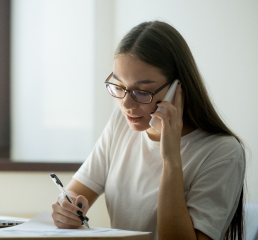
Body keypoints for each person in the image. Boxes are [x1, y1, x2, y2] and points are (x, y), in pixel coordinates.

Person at [51, 21, 245, 240]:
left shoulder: (222, 151)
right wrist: (66, 208)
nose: (126, 104)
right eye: (119, 87)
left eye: (142, 92)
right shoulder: (121, 123)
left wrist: (171, 159)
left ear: (177, 89)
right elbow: (75, 192)